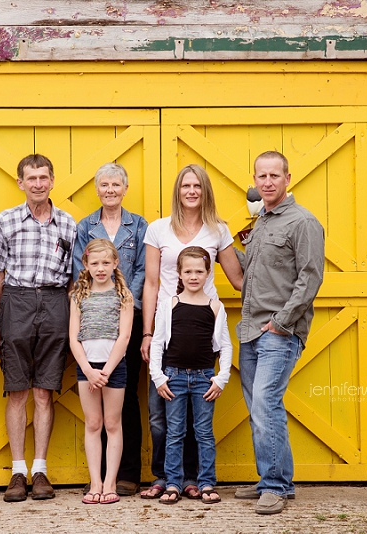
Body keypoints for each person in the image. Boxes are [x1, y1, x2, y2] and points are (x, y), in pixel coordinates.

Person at [139, 164, 243, 500]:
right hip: (168, 329)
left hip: (201, 331)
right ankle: (165, 476)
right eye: (186, 185)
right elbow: (152, 283)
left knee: (198, 420)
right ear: (178, 190)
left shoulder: (218, 231)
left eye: (198, 185)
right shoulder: (158, 230)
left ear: (205, 191)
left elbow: (239, 279)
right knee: (160, 415)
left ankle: (195, 479)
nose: (192, 191)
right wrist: (147, 332)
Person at [233, 151, 325, 515]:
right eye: (261, 176)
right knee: (264, 409)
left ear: (288, 178)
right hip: (251, 331)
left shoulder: (302, 222)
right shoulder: (261, 223)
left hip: (279, 332)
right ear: (254, 180)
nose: (267, 181)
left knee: (264, 404)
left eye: (274, 175)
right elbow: (253, 274)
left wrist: (282, 322)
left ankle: (273, 486)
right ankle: (278, 482)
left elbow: (311, 276)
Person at [0, 154, 77, 502]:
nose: (38, 183)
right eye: (31, 178)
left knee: (44, 392)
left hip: (55, 302)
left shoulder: (68, 223)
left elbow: (72, 277)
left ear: (52, 180)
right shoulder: (6, 221)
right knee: (18, 390)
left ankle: (40, 470)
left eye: (43, 177)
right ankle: (17, 473)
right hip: (17, 300)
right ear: (20, 182)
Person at [73, 163, 148, 496]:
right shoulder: (86, 227)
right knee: (94, 409)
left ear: (124, 188)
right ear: (98, 189)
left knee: (125, 400)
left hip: (125, 319)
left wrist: (122, 300)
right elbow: (79, 267)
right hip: (93, 325)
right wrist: (101, 298)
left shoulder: (139, 225)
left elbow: (145, 269)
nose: (110, 190)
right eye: (104, 184)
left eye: (116, 184)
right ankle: (98, 479)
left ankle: (126, 474)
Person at [149, 247, 233, 505]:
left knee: (204, 432)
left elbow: (226, 346)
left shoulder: (215, 306)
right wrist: (158, 377)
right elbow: (157, 342)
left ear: (209, 273)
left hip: (204, 378)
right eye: (188, 271)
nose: (194, 276)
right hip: (173, 377)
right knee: (174, 432)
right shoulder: (169, 304)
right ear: (179, 273)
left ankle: (206, 482)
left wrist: (221, 378)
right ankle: (173, 482)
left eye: (199, 271)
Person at [70, 238, 134, 505]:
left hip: (113, 368)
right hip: (87, 368)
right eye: (94, 263)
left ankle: (110, 483)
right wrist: (88, 369)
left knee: (112, 423)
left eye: (106, 262)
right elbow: (73, 337)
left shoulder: (124, 296)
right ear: (85, 264)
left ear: (115, 263)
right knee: (93, 424)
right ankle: (95, 482)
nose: (100, 268)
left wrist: (105, 371)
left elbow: (125, 336)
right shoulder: (78, 295)